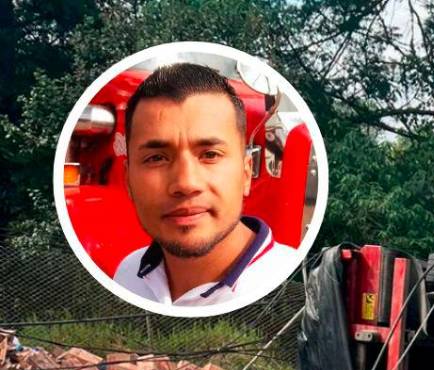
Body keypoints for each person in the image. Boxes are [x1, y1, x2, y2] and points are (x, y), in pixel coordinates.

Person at [114, 62, 297, 308]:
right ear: (128, 180)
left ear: (245, 173)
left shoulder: (292, 285)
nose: (186, 183)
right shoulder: (128, 274)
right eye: (156, 158)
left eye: (210, 155)